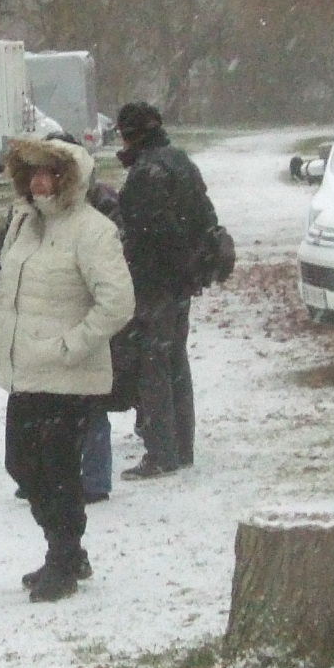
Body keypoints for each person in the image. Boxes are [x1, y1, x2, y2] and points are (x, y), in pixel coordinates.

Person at [0, 135, 135, 601]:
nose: (39, 182)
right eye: (32, 172)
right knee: (21, 464)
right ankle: (68, 551)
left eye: (50, 173)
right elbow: (8, 281)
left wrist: (72, 346)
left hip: (66, 375)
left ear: (69, 178)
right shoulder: (24, 222)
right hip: (24, 369)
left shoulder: (92, 230)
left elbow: (118, 302)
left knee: (57, 471)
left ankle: (63, 558)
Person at [112, 101, 219, 478]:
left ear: (129, 134)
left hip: (152, 283)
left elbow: (146, 234)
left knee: (152, 365)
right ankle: (181, 445)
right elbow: (205, 216)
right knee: (174, 360)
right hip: (182, 281)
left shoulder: (146, 173)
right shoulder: (180, 161)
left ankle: (161, 452)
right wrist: (190, 267)